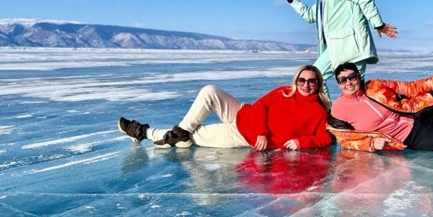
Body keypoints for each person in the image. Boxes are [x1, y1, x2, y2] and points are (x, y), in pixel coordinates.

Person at [117, 65, 333, 151]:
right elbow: (260, 107)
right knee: (210, 91)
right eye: (302, 80)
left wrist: (301, 141)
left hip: (243, 135)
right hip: (244, 114)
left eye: (312, 81)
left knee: (195, 136)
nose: (306, 85)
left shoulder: (319, 111)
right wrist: (262, 131)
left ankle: (142, 132)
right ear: (296, 81)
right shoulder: (283, 91)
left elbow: (324, 138)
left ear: (318, 83)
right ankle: (181, 132)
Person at [279, 0, 398, 94]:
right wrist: (292, 0)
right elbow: (311, 15)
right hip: (337, 47)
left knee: (354, 91)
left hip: (353, 46)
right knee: (316, 79)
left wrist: (378, 24)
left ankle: (357, 115)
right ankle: (328, 115)